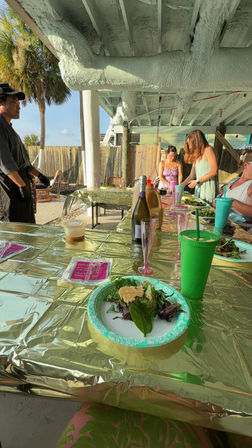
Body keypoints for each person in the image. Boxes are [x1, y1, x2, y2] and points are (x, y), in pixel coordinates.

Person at [0, 83, 50, 223]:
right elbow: (6, 164)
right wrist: (22, 186)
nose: (19, 106)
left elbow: (24, 163)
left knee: (28, 230)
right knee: (15, 235)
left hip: (22, 189)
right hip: (11, 190)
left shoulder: (10, 129)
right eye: (13, 101)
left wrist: (40, 175)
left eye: (18, 102)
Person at [181, 130, 218, 203]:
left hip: (208, 188)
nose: (189, 147)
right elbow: (191, 176)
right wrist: (180, 186)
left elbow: (214, 171)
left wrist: (197, 181)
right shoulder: (197, 154)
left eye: (190, 144)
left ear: (196, 142)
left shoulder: (208, 150)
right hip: (199, 187)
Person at [219, 150, 252, 224]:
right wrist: (219, 202)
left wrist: (232, 202)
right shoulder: (234, 181)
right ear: (245, 165)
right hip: (222, 220)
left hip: (238, 228)